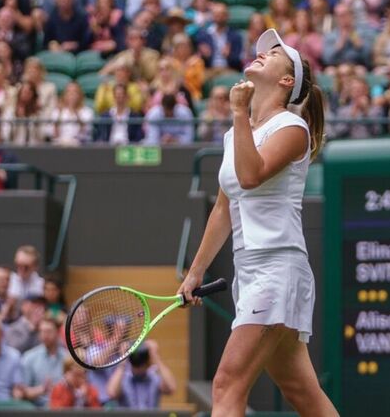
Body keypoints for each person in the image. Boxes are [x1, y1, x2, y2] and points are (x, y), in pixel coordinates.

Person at [176, 28, 338, 416]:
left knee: (226, 384)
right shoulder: (237, 135)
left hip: (278, 271)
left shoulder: (292, 129)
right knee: (302, 393)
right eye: (263, 50)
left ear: (287, 81)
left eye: (275, 53)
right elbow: (223, 208)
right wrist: (195, 273)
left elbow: (251, 176)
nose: (263, 53)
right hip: (250, 274)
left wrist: (238, 112)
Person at [106, 340, 175, 409]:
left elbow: (171, 388)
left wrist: (155, 357)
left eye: (142, 365)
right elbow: (112, 393)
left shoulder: (154, 377)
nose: (139, 369)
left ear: (148, 363)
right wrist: (123, 358)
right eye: (136, 365)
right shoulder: (123, 377)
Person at [21, 318, 66, 407]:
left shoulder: (67, 357)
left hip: (64, 408)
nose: (45, 335)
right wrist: (42, 389)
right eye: (42, 331)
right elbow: (23, 392)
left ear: (58, 333)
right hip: (38, 410)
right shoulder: (29, 357)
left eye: (49, 331)